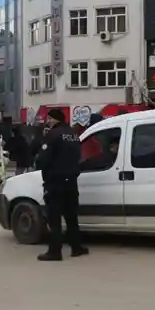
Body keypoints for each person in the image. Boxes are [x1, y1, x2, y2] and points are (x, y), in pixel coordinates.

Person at [35, 108, 89, 261]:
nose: (48, 121)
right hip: (71, 181)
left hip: (55, 181)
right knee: (71, 216)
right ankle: (76, 247)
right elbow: (79, 156)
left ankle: (55, 251)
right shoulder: (73, 134)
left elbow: (43, 160)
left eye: (49, 119)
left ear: (54, 119)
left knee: (54, 217)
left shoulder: (53, 135)